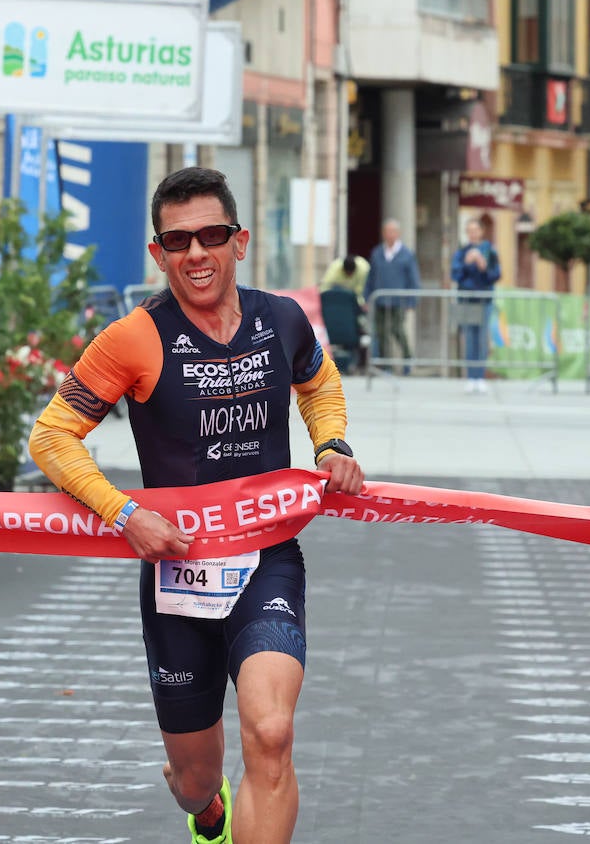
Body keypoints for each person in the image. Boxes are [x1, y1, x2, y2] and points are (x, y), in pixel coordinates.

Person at [29, 166, 364, 844]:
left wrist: (330, 444)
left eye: (211, 236)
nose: (196, 254)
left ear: (238, 241)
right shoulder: (134, 338)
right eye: (177, 242)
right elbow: (51, 435)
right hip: (177, 575)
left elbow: (319, 383)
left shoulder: (282, 320)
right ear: (158, 254)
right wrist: (125, 514)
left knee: (270, 732)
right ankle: (206, 810)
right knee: (196, 780)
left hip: (265, 558)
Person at [363, 218, 421, 374]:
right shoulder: (377, 253)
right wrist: (367, 297)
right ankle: (386, 364)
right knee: (381, 333)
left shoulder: (406, 254)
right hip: (380, 300)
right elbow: (371, 277)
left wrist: (412, 301)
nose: (389, 234)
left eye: (392, 231)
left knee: (397, 330)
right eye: (387, 231)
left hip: (398, 301)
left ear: (398, 233)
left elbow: (413, 279)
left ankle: (407, 359)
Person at [451, 217, 501, 393]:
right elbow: (455, 274)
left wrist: (483, 265)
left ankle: (480, 376)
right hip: (466, 299)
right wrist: (466, 263)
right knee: (469, 338)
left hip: (484, 300)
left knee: (481, 339)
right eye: (469, 230)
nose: (472, 233)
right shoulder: (461, 251)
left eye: (475, 230)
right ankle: (470, 376)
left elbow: (495, 275)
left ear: (481, 232)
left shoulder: (490, 251)